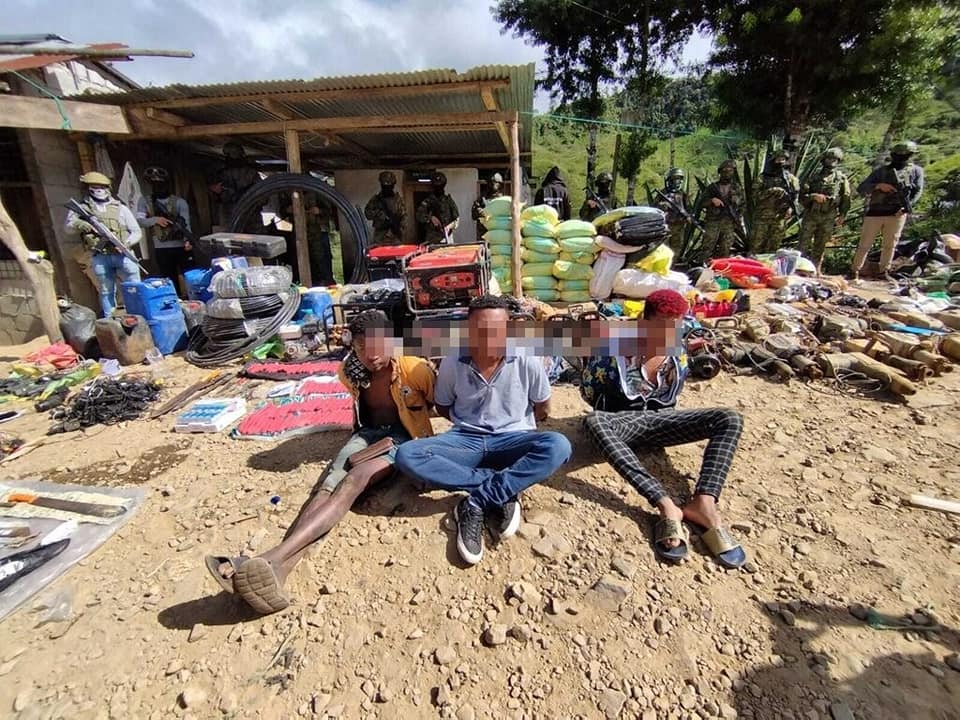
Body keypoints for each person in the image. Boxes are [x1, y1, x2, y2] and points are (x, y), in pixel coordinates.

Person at [205, 309, 436, 614]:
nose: (372, 356)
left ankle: (273, 557)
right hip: (366, 435)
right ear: (354, 347)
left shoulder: (414, 369)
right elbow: (360, 407)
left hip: (402, 439)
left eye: (378, 347)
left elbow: (437, 406)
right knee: (326, 488)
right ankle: (277, 571)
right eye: (363, 349)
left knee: (353, 481)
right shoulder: (349, 372)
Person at [395, 294, 572, 565]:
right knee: (407, 454)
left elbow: (542, 409)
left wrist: (517, 427)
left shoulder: (526, 358)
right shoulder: (454, 361)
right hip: (467, 440)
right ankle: (501, 486)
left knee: (558, 445)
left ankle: (475, 502)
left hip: (513, 440)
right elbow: (444, 407)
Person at [581, 289, 747, 568]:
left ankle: (704, 503)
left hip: (660, 422)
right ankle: (665, 505)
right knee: (594, 422)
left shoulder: (676, 351)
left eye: (675, 325)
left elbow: (675, 392)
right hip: (618, 423)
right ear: (644, 320)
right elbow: (588, 393)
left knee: (729, 418)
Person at [65, 172, 142, 317]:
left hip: (123, 255)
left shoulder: (120, 208)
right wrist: (82, 224)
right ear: (88, 188)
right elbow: (68, 228)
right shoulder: (82, 208)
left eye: (103, 186)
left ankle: (139, 317)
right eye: (95, 186)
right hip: (100, 256)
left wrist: (126, 244)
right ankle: (110, 321)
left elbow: (136, 232)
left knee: (134, 288)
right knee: (106, 291)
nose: (99, 189)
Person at [852, 140, 924, 282]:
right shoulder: (882, 171)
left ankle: (883, 271)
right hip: (875, 212)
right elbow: (862, 187)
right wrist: (879, 186)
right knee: (865, 244)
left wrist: (905, 208)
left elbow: (917, 191)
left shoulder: (916, 171)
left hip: (897, 213)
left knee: (890, 245)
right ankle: (855, 270)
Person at [136, 166, 193, 288]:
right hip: (161, 247)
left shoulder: (179, 202)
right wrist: (156, 220)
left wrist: (188, 240)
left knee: (189, 276)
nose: (158, 187)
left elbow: (186, 223)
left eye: (160, 184)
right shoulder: (145, 201)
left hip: (180, 245)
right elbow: (140, 221)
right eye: (154, 184)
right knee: (169, 279)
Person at [798, 148, 851, 273]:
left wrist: (842, 215)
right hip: (811, 214)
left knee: (821, 244)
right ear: (824, 160)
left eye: (834, 159)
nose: (831, 162)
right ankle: (799, 267)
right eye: (829, 159)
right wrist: (813, 196)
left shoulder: (841, 179)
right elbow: (801, 196)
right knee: (803, 243)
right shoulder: (813, 176)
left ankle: (816, 269)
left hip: (829, 216)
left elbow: (846, 197)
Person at [749, 149, 800, 254]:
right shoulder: (762, 178)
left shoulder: (791, 179)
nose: (781, 162)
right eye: (778, 159)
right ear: (773, 161)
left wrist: (790, 209)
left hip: (780, 217)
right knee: (756, 245)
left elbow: (795, 197)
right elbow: (755, 196)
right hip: (763, 216)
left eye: (783, 159)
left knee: (773, 247)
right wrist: (771, 191)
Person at [696, 160, 743, 261]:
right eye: (725, 171)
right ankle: (701, 268)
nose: (727, 173)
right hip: (713, 221)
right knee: (707, 247)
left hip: (729, 222)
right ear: (720, 172)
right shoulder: (712, 188)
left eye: (730, 171)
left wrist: (738, 215)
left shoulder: (737, 188)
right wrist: (712, 200)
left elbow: (743, 205)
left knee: (725, 248)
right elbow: (701, 203)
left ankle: (721, 268)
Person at [209, 141, 260, 227]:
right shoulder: (222, 174)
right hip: (232, 217)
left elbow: (263, 196)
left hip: (249, 217)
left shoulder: (251, 174)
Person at [364, 171, 407, 247]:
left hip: (395, 235)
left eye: (389, 186)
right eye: (384, 186)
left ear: (393, 185)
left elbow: (404, 216)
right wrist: (379, 214)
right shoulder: (376, 199)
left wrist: (398, 227)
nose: (387, 188)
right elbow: (367, 214)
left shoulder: (398, 200)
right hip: (380, 236)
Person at [416, 172, 459, 244]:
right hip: (433, 240)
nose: (439, 189)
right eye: (437, 187)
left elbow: (457, 220)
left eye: (440, 187)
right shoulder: (428, 201)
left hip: (447, 239)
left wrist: (449, 226)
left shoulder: (449, 201)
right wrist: (430, 218)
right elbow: (419, 216)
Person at [656, 168, 692, 253]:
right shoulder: (663, 193)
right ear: (670, 180)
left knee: (676, 248)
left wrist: (688, 217)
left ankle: (672, 265)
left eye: (678, 178)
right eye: (674, 178)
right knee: (663, 248)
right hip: (665, 225)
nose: (677, 181)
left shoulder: (682, 194)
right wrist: (663, 206)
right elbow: (655, 207)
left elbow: (689, 208)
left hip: (679, 226)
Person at [471, 172, 504, 237]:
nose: (492, 184)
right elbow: (473, 215)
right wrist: (479, 212)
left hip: (498, 234)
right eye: (490, 182)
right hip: (484, 234)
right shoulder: (482, 199)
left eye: (494, 182)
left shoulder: (503, 200)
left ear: (500, 184)